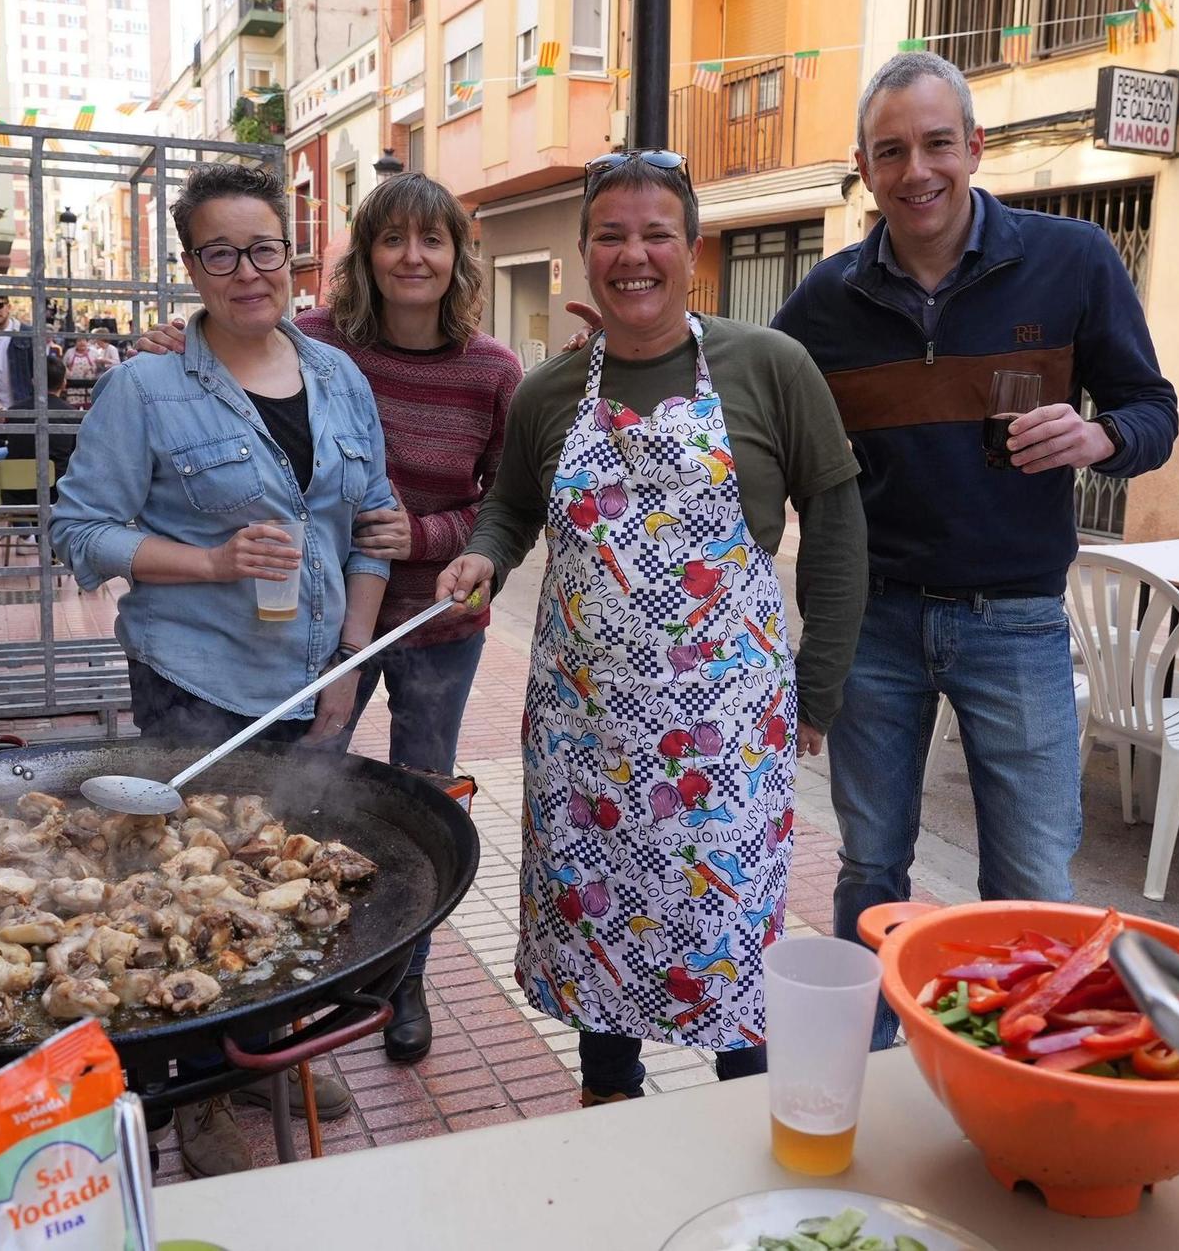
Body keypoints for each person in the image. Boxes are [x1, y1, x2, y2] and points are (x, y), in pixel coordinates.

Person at [435, 150, 869, 1105]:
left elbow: (838, 525)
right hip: (585, 737)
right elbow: (509, 509)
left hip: (722, 744)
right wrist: (484, 555)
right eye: (611, 235)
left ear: (692, 248)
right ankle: (608, 1105)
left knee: (726, 952)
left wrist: (820, 687)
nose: (635, 255)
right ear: (585, 252)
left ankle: (740, 1118)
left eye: (656, 233)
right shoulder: (552, 391)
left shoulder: (770, 366)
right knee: (601, 940)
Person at [768, 52, 1179, 1049]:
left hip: (1016, 619)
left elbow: (1150, 411)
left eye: (936, 144)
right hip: (872, 621)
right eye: (891, 150)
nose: (917, 170)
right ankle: (867, 1070)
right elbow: (741, 408)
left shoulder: (1072, 260)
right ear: (864, 168)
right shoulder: (824, 302)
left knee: (1031, 880)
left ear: (974, 148)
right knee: (869, 866)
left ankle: (1012, 1070)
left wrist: (1100, 439)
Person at [50, 161, 398, 1176]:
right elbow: (81, 528)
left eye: (262, 248)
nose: (247, 271)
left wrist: (347, 664)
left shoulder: (338, 377)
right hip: (191, 676)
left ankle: (266, 1056)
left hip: (307, 678)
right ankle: (196, 1086)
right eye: (219, 252)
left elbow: (371, 526)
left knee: (285, 876)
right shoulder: (144, 386)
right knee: (186, 888)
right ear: (192, 265)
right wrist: (207, 560)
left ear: (291, 256)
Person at [134, 173, 522, 1066]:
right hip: (316, 621)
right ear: (366, 254)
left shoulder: (493, 370)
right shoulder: (313, 343)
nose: (413, 257)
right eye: (393, 240)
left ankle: (405, 981)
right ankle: (306, 983)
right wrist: (171, 345)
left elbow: (508, 502)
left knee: (424, 799)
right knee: (310, 793)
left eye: (433, 240)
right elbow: (224, 361)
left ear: (459, 255)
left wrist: (426, 530)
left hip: (429, 620)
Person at [0, 355, 81, 503]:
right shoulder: (72, 415)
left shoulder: (14, 412)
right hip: (58, 493)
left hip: (16, 493)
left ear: (33, 382)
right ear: (64, 383)